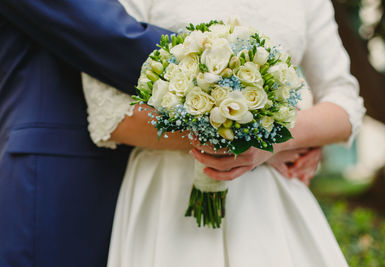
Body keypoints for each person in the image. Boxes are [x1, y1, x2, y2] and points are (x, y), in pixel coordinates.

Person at [0, 0, 318, 266]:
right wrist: (249, 95)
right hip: (63, 176)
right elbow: (107, 33)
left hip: (139, 175)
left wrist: (290, 128)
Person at [81, 0, 366, 266]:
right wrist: (239, 139)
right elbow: (110, 113)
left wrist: (276, 140)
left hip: (269, 200)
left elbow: (345, 101)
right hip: (167, 195)